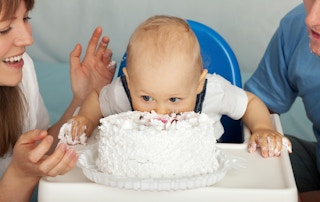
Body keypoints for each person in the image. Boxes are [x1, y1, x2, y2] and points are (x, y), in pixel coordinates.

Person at [65, 15, 291, 159]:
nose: (160, 111)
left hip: (205, 171)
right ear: (129, 81)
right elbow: (97, 98)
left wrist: (262, 127)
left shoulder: (212, 91)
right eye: (146, 98)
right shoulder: (126, 90)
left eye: (174, 100)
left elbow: (249, 102)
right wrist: (86, 118)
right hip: (142, 172)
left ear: (198, 83)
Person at [0, 0, 115, 201]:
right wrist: (21, 176)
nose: (28, 39)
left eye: (25, 18)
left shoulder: (21, 68)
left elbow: (38, 147)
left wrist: (82, 100)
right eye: (4, 29)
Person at [244, 1, 320, 200]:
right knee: (254, 156)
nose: (311, 19)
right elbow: (259, 103)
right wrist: (263, 130)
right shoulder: (297, 26)